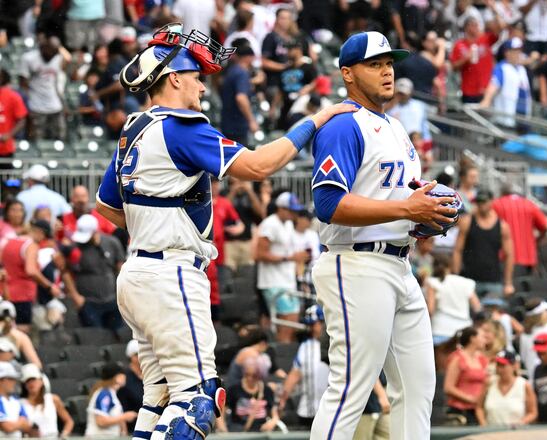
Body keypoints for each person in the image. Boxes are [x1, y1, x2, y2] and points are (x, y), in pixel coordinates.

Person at [93, 23, 355, 440]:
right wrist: (316, 120)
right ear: (174, 77)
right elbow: (259, 166)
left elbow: (106, 206)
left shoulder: (133, 128)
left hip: (138, 274)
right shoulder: (181, 125)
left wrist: (155, 225)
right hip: (171, 276)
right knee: (198, 399)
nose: (201, 87)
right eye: (196, 77)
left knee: (157, 398)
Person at [308, 31, 459, 439]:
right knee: (351, 389)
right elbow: (329, 203)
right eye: (374, 64)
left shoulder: (393, 127)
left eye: (389, 63)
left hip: (398, 262)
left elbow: (400, 197)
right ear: (348, 74)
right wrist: (407, 210)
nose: (386, 71)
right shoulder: (343, 125)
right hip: (355, 263)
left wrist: (426, 213)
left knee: (417, 384)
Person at [255, 192, 308, 343]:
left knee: (292, 322)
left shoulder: (289, 224)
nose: (294, 214)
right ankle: (280, 359)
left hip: (286, 280)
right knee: (287, 322)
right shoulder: (270, 224)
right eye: (291, 210)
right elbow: (259, 254)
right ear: (281, 208)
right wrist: (290, 258)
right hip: (273, 281)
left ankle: (284, 358)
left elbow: (288, 253)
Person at [64, 215, 126, 331]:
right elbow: (65, 272)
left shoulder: (112, 242)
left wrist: (122, 294)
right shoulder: (75, 247)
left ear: (95, 232)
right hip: (88, 302)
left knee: (117, 333)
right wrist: (76, 297)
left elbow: (121, 268)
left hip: (112, 299)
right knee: (94, 336)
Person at [1, 220, 63, 333]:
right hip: (22, 296)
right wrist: (49, 286)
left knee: (6, 330)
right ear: (40, 233)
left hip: (5, 294)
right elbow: (31, 270)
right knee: (21, 331)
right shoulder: (31, 245)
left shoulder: (7, 241)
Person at [453, 189, 515, 298]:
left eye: (484, 201)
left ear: (491, 201)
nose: (481, 205)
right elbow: (457, 250)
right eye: (479, 202)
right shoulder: (467, 222)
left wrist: (508, 283)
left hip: (493, 280)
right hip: (469, 280)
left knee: (492, 314)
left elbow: (509, 255)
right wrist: (456, 277)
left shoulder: (502, 226)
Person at [279, 305, 330, 429]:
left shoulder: (335, 344)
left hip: (330, 410)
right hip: (307, 411)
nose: (311, 329)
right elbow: (295, 374)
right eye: (309, 325)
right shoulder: (305, 346)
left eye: (314, 324)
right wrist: (282, 401)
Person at [491, 183, 547, 278]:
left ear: (502, 192)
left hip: (503, 258)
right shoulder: (529, 204)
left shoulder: (496, 204)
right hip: (527, 258)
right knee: (525, 289)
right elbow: (545, 226)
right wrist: (537, 240)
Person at [425, 254, 481, 345]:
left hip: (441, 329)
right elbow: (477, 307)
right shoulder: (466, 282)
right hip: (464, 331)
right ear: (450, 266)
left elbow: (430, 310)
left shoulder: (432, 282)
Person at [480, 37, 532, 128]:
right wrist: (486, 100)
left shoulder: (522, 69)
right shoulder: (502, 68)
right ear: (507, 52)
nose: (518, 53)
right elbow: (493, 85)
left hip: (523, 120)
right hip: (505, 122)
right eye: (515, 51)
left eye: (519, 50)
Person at [476, 350, 537, 427]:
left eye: (503, 365)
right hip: (492, 433)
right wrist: (483, 423)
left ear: (513, 366)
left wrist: (521, 423)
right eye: (498, 365)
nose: (499, 369)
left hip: (516, 434)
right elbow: (479, 407)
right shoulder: (489, 383)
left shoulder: (524, 385)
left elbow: (532, 412)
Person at [443, 327, 489, 425]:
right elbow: (448, 387)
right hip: (460, 411)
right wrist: (470, 399)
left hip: (478, 410)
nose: (485, 340)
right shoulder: (457, 358)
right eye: (482, 337)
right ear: (472, 338)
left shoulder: (482, 359)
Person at [450, 17, 498, 103]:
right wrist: (465, 59)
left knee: (485, 115)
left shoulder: (485, 39)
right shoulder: (459, 45)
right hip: (468, 91)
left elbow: (498, 32)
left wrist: (494, 11)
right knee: (469, 115)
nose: (476, 28)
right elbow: (454, 67)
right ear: (466, 28)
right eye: (473, 25)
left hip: (485, 90)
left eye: (477, 25)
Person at [19, 363, 74, 439]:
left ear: (41, 381)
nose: (31, 383)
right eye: (28, 381)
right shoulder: (19, 403)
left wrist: (64, 435)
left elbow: (69, 421)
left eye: (34, 379)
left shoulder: (53, 399)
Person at [226, 359, 280, 432]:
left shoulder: (266, 390)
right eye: (247, 374)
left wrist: (272, 422)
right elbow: (222, 409)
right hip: (238, 429)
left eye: (254, 376)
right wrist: (222, 429)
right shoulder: (234, 389)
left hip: (261, 429)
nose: (250, 378)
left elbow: (274, 414)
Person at [86, 363, 138, 437]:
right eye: (122, 373)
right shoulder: (105, 394)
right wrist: (125, 416)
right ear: (117, 377)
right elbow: (101, 421)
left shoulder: (111, 393)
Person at [0, 69, 27, 168]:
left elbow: (22, 119)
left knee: (5, 180)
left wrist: (9, 134)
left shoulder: (12, 96)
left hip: (4, 147)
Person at [0, 362, 34, 437]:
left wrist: (14, 425)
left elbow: (28, 426)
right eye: (10, 379)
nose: (14, 382)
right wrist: (21, 423)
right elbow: (7, 427)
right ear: (1, 380)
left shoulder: (15, 401)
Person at [117, 340, 144, 433]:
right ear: (130, 356)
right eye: (136, 355)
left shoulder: (150, 375)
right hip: (132, 427)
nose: (140, 358)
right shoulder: (124, 377)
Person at [352, 374, 390, 440]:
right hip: (363, 403)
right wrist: (381, 394)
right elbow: (366, 370)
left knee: (387, 434)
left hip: (381, 393)